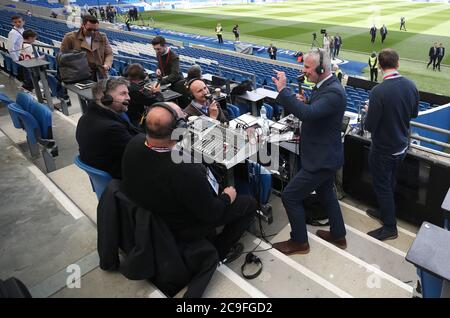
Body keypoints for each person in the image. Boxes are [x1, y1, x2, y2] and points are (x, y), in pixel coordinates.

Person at [121, 102, 257, 263]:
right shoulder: (185, 171)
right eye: (182, 119)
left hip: (151, 211)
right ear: (179, 130)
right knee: (249, 203)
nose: (186, 119)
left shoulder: (134, 142)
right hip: (181, 226)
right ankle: (220, 251)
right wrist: (227, 197)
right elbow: (212, 213)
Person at [270, 48, 347, 255]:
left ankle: (299, 242)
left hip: (320, 159)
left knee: (290, 196)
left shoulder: (334, 92)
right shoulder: (326, 86)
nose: (304, 71)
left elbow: (308, 114)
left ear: (322, 68)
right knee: (326, 195)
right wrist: (305, 101)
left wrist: (283, 91)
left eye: (307, 67)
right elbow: (314, 109)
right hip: (326, 155)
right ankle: (339, 235)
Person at [364, 48, 419, 241]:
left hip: (383, 150)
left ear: (379, 66)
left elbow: (369, 126)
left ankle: (389, 227)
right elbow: (413, 115)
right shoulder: (411, 85)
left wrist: (370, 110)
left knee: (383, 187)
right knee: (390, 183)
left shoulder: (378, 91)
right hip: (402, 147)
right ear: (398, 63)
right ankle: (385, 212)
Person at [76, 78, 140, 179]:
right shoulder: (110, 129)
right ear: (105, 98)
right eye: (123, 94)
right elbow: (141, 152)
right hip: (123, 182)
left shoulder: (88, 117)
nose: (129, 98)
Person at [60, 15, 113, 81]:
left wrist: (107, 65)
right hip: (79, 76)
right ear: (82, 25)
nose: (93, 32)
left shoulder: (102, 37)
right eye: (89, 30)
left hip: (100, 74)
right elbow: (62, 57)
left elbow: (109, 53)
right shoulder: (70, 38)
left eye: (95, 30)